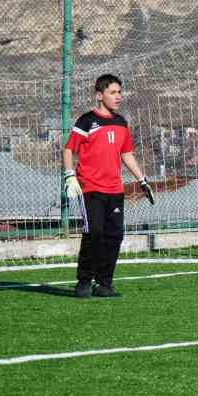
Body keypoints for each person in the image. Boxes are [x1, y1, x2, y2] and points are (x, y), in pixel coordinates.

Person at [63, 73, 154, 299]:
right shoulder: (86, 121)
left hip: (115, 190)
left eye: (119, 92)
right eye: (113, 92)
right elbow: (68, 149)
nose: (118, 96)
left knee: (115, 235)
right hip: (91, 188)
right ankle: (84, 281)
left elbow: (127, 154)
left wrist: (142, 180)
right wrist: (69, 176)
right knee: (94, 233)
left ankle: (104, 284)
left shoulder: (121, 123)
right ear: (100, 95)